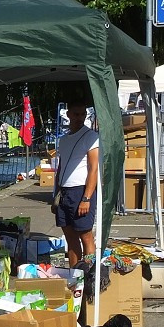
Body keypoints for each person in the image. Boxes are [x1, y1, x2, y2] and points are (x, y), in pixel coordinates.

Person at [52, 100, 99, 268]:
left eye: (83, 114)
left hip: (80, 191)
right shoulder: (64, 140)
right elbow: (61, 167)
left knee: (85, 235)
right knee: (70, 237)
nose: (80, 118)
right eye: (76, 114)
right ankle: (74, 276)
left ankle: (90, 276)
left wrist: (86, 198)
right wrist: (55, 195)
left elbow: (94, 169)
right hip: (64, 192)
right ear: (69, 115)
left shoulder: (91, 137)